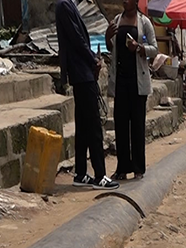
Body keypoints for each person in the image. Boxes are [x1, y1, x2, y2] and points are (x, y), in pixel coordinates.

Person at [55, 0, 118, 190]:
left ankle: (81, 173)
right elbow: (76, 39)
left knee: (83, 126)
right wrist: (93, 60)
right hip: (82, 73)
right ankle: (100, 175)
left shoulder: (68, 5)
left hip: (82, 72)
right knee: (93, 126)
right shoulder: (64, 5)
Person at [105, 0, 158, 181]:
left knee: (137, 125)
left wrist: (139, 48)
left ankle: (138, 168)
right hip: (121, 80)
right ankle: (122, 168)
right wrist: (107, 38)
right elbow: (111, 48)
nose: (124, 1)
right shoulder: (117, 21)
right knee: (120, 125)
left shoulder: (145, 23)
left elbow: (154, 49)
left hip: (138, 82)